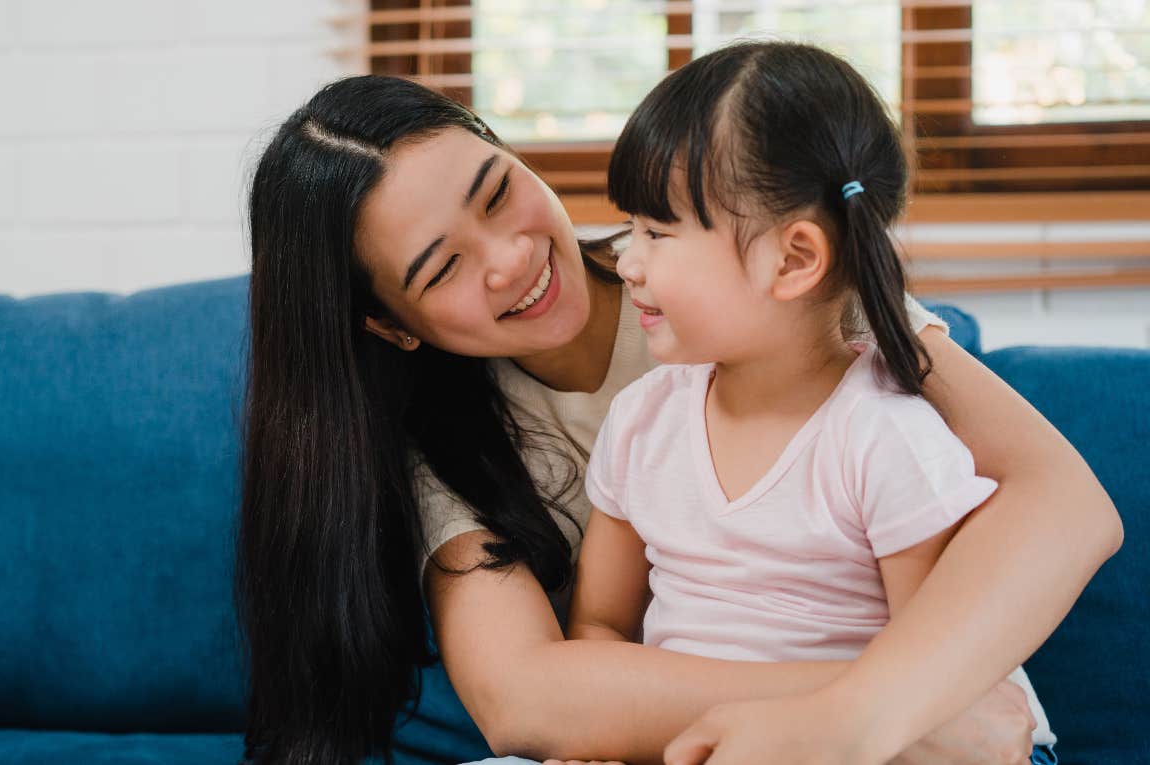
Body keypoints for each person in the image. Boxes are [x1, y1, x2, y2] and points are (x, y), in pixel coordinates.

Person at [236, 71, 1122, 765]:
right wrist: (889, 707)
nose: (511, 258)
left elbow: (1066, 504)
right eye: (442, 269)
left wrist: (874, 715)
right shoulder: (451, 450)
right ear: (391, 323)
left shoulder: (762, 286)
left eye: (497, 190)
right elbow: (527, 699)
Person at [561, 42, 1060, 765]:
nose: (627, 261)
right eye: (631, 229)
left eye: (658, 233)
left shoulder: (884, 437)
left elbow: (935, 685)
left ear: (792, 260)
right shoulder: (641, 421)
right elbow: (600, 626)